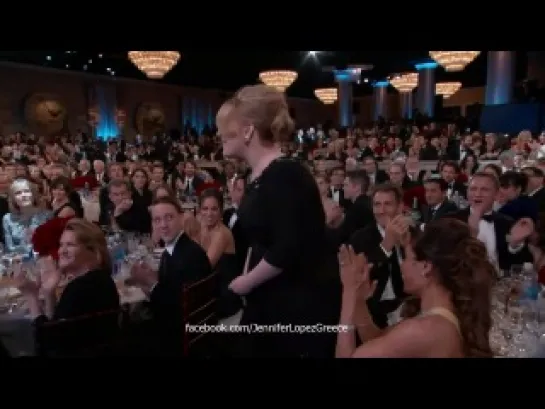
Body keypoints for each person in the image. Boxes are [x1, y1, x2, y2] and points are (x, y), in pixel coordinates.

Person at [216, 84, 341, 357]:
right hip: (272, 299)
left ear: (247, 129)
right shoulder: (264, 175)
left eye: (226, 127)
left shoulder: (286, 175)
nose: (219, 134)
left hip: (294, 306)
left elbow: (288, 247)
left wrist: (246, 282)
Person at [336, 218, 494, 358]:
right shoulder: (442, 315)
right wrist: (358, 301)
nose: (402, 265)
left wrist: (348, 292)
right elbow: (377, 341)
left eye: (407, 258)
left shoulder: (424, 330)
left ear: (426, 267)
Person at [16, 219, 120, 356]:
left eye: (70, 245)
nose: (61, 251)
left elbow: (47, 346)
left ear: (92, 250)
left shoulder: (80, 289)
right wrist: (48, 293)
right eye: (61, 244)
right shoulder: (102, 280)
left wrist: (31, 297)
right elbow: (55, 328)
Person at [2, 178, 51, 253]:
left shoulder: (47, 216)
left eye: (26, 191)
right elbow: (9, 248)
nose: (23, 195)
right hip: (18, 261)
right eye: (18, 193)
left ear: (33, 194)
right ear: (13, 199)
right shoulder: (7, 219)